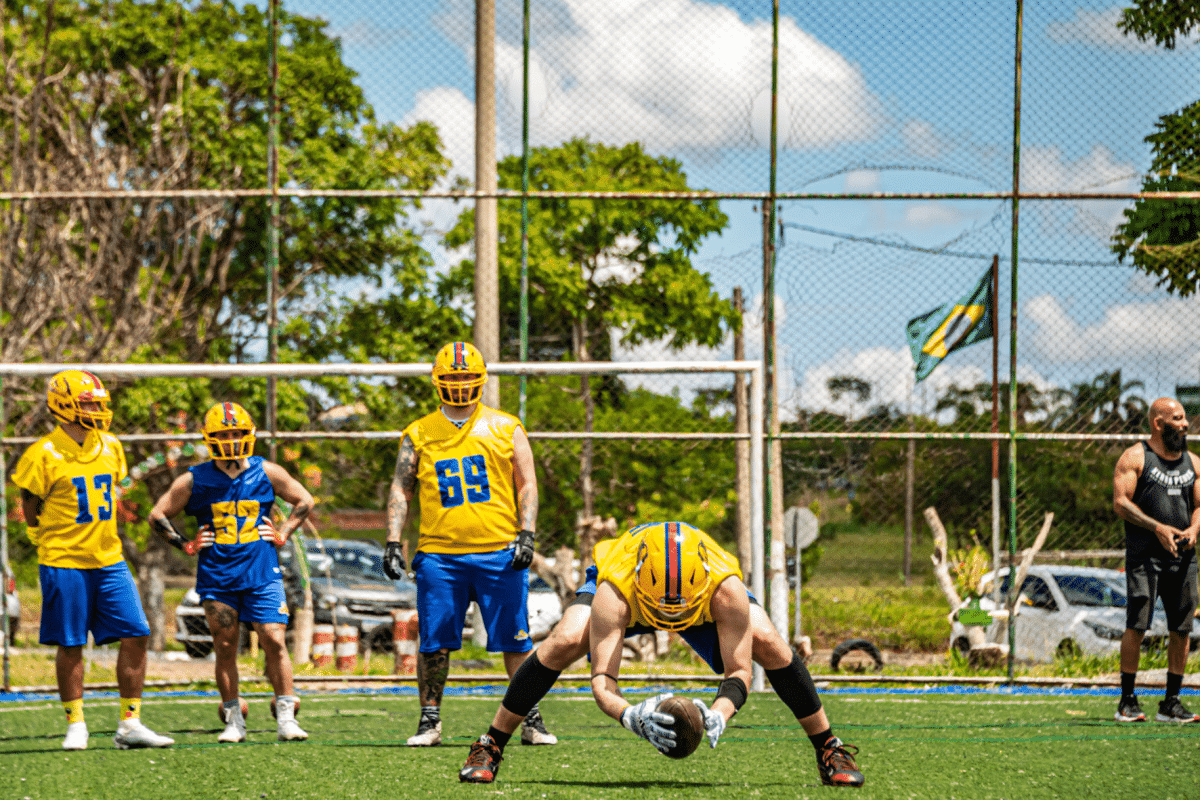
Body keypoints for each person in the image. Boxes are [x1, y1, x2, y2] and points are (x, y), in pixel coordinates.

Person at [459, 521, 864, 788]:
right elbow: (602, 681)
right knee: (564, 639)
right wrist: (627, 714)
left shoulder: (725, 587)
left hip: (700, 602)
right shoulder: (615, 587)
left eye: (679, 610)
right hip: (632, 596)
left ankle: (829, 746)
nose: (671, 620)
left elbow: (739, 672)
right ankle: (490, 743)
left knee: (772, 644)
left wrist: (719, 713)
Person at [384, 341, 554, 747]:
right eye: (451, 378)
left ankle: (530, 717)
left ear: (480, 380)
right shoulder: (419, 432)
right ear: (437, 382)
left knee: (516, 641)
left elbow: (527, 482)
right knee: (435, 642)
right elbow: (400, 487)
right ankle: (429, 720)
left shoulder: (506, 426)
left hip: (499, 551)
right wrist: (392, 540)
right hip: (440, 555)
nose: (459, 385)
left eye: (466, 378)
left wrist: (526, 534)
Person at [13, 370, 175, 751]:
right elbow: (30, 506)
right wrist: (46, 538)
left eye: (98, 403)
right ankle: (76, 723)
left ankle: (130, 722)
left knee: (137, 632)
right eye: (89, 403)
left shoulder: (111, 446)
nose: (97, 409)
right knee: (71, 643)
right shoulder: (43, 453)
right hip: (63, 558)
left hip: (108, 558)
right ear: (64, 404)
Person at [148, 401, 314, 742]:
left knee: (274, 640)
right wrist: (185, 544)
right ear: (210, 438)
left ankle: (286, 716)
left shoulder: (267, 471)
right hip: (218, 577)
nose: (232, 439)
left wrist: (284, 532)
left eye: (238, 432)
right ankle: (234, 718)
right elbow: (157, 515)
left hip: (262, 574)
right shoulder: (195, 479)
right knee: (225, 646)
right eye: (224, 434)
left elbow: (305, 500)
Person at [1112, 396, 1200, 724]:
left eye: (1184, 418)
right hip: (1144, 559)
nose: (1185, 424)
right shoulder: (1136, 457)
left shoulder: (1193, 462)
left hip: (1183, 558)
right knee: (1137, 625)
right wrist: (1156, 527)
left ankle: (1172, 702)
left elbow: (1199, 505)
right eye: (1177, 418)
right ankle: (1127, 700)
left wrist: (1193, 528)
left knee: (1182, 628)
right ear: (1158, 423)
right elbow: (1121, 502)